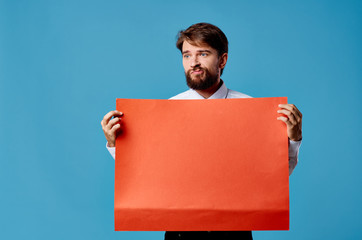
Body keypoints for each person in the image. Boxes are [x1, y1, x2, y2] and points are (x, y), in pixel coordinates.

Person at [101, 23, 302, 240]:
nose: (194, 63)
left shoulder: (251, 109)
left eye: (203, 54)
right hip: (180, 231)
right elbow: (148, 173)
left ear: (222, 60)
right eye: (187, 55)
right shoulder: (167, 110)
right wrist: (116, 143)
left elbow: (274, 176)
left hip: (235, 231)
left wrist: (293, 138)